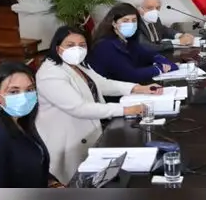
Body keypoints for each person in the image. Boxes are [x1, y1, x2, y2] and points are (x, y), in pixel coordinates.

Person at [35, 26, 161, 183]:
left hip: (90, 133)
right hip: (68, 143)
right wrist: (126, 109)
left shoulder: (78, 65)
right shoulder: (50, 74)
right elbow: (79, 108)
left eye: (82, 45)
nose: (77, 49)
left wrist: (137, 88)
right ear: (57, 47)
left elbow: (102, 83)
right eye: (70, 45)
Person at [0, 61, 65, 188]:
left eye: (29, 90)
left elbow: (35, 164)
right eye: (13, 92)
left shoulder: (22, 120)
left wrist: (53, 184)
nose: (24, 97)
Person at [89, 3, 178, 83]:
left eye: (134, 20)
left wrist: (160, 60)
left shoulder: (129, 41)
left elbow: (149, 55)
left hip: (131, 89)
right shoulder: (105, 45)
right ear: (114, 23)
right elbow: (131, 75)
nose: (130, 24)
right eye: (125, 21)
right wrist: (159, 68)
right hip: (114, 95)